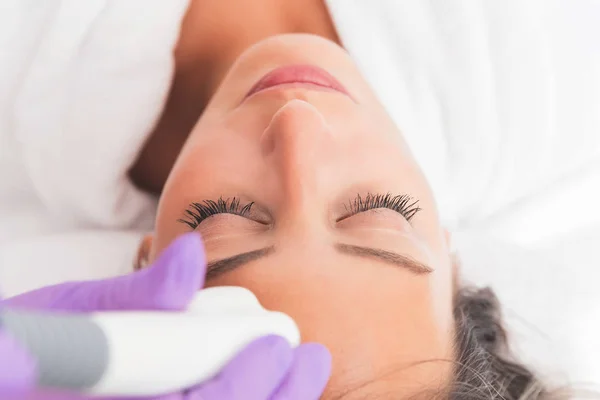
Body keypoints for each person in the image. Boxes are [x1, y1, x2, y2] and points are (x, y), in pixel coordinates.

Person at [1, 0, 599, 398]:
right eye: (379, 214)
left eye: (226, 219)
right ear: (450, 250)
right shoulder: (542, 82)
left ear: (148, 259)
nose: (297, 129)